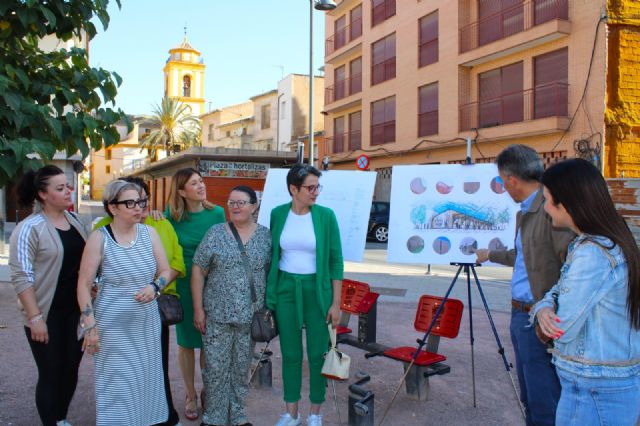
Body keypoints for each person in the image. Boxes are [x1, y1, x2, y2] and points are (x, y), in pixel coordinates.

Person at [533, 159, 640, 426]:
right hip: (600, 382)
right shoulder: (601, 240)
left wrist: (545, 314)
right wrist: (544, 306)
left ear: (567, 204)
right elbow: (560, 289)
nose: (545, 208)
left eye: (547, 200)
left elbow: (561, 327)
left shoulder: (592, 252)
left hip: (595, 388)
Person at [475, 144, 574, 426]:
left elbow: (569, 263)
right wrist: (489, 254)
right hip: (522, 315)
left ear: (511, 180)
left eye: (502, 181)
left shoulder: (550, 211)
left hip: (538, 318)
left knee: (543, 400)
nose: (503, 187)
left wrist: (550, 308)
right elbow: (524, 257)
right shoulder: (526, 212)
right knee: (531, 396)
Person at [77, 179, 173, 425]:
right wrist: (90, 326)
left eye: (140, 202)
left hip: (146, 324)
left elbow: (166, 271)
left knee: (145, 381)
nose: (138, 207)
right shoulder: (99, 238)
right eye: (129, 203)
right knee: (116, 385)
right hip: (112, 326)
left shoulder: (150, 233)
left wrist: (155, 287)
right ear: (112, 207)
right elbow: (84, 285)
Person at [9, 165, 88, 426]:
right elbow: (21, 276)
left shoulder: (75, 222)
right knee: (51, 372)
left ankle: (61, 418)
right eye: (61, 188)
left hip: (75, 312)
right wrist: (35, 318)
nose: (69, 191)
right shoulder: (29, 228)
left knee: (71, 370)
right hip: (46, 312)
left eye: (68, 186)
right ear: (43, 195)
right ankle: (51, 422)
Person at [266, 164, 344, 426]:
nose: (316, 192)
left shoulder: (325, 216)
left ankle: (315, 413)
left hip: (317, 291)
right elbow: (272, 256)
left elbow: (335, 261)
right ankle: (291, 412)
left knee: (317, 353)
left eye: (317, 187)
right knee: (290, 353)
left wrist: (336, 302)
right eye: (310, 187)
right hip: (286, 289)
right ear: (293, 189)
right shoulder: (278, 215)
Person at [192, 186, 271, 426]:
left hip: (250, 317)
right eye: (231, 202)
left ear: (254, 206)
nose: (235, 207)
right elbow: (198, 269)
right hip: (217, 315)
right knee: (215, 369)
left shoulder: (266, 236)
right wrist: (198, 309)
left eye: (241, 202)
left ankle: (236, 416)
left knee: (240, 369)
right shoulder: (215, 233)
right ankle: (213, 418)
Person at [166, 167, 226, 420]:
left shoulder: (217, 213)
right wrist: (155, 216)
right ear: (181, 191)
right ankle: (190, 394)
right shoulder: (170, 216)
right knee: (187, 343)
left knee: (208, 342)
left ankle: (207, 390)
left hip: (212, 284)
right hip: (183, 282)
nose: (201, 186)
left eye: (201, 181)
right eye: (194, 183)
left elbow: (224, 248)